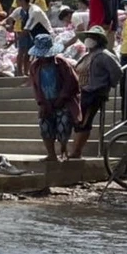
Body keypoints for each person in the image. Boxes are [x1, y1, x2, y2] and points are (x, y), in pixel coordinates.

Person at [69, 26, 121, 159]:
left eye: (92, 37)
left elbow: (117, 72)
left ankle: (76, 151)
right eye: (88, 37)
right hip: (82, 92)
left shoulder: (104, 55)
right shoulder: (86, 56)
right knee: (78, 122)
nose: (89, 39)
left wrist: (106, 85)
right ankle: (75, 150)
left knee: (85, 122)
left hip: (94, 93)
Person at [27, 34, 80, 162]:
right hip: (46, 101)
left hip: (63, 101)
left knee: (63, 127)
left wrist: (62, 98)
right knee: (45, 127)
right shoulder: (35, 66)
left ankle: (63, 149)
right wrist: (41, 103)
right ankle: (51, 154)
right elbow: (36, 87)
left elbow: (71, 82)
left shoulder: (61, 63)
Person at [8, 0, 52, 78]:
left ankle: (35, 74)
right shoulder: (20, 10)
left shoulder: (34, 11)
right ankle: (21, 73)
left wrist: (13, 41)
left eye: (17, 0)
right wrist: (4, 25)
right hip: (33, 34)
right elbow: (9, 18)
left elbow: (26, 30)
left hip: (44, 35)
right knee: (22, 51)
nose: (16, 2)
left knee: (39, 56)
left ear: (22, 1)